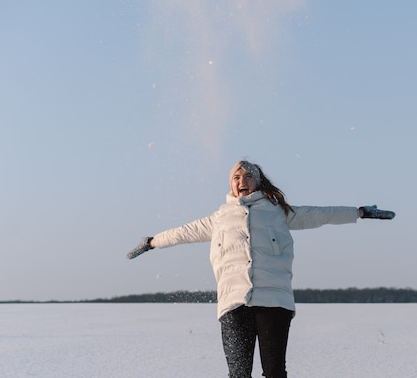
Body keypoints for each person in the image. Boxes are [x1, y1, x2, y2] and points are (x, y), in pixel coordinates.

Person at [126, 160, 395, 378]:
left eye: (247, 176)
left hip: (274, 301)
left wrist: (359, 212)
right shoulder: (218, 219)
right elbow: (182, 233)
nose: (241, 181)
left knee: (275, 372)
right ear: (231, 185)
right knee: (238, 374)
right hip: (233, 303)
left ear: (258, 181)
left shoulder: (280, 211)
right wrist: (151, 242)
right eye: (236, 177)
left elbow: (321, 214)